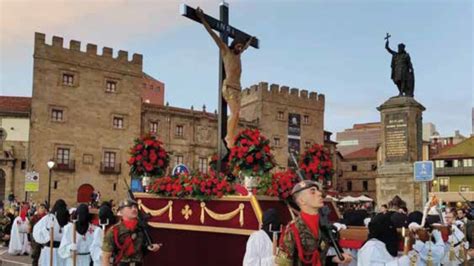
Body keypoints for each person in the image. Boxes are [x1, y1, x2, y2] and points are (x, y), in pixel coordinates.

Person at [196, 6, 255, 148]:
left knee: (237, 114)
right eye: (238, 46)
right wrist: (203, 19)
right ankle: (229, 137)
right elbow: (213, 34)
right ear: (234, 44)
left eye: (241, 47)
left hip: (237, 88)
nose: (240, 48)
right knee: (234, 113)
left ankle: (231, 135)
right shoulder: (226, 51)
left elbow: (246, 46)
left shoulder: (238, 55)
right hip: (228, 87)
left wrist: (250, 41)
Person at [275, 180, 352, 265]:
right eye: (312, 192)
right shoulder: (292, 230)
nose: (319, 194)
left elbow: (318, 259)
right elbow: (283, 263)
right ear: (302, 200)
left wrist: (333, 259)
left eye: (318, 190)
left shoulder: (323, 226)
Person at [102, 199, 161, 265]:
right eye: (130, 207)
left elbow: (144, 246)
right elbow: (106, 257)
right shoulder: (114, 230)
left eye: (135, 207)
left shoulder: (142, 227)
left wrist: (150, 247)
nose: (134, 209)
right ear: (121, 211)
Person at [33, 199, 70, 266]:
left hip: (61, 251)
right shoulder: (49, 218)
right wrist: (47, 237)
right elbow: (37, 230)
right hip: (49, 250)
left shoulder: (66, 220)